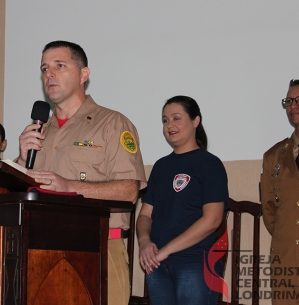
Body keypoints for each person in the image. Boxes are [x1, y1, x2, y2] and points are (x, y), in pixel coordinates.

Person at [17, 40, 146, 305]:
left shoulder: (112, 124)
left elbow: (129, 191)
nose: (48, 74)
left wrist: (69, 187)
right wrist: (21, 159)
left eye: (59, 66)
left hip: (97, 248)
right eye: (44, 69)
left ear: (83, 74)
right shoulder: (38, 132)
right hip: (40, 250)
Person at [136, 96, 229, 305]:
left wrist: (166, 250)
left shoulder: (210, 164)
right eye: (165, 120)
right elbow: (144, 215)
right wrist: (144, 243)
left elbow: (212, 220)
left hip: (195, 263)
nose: (170, 125)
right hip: (158, 264)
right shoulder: (160, 166)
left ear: (196, 120)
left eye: (176, 118)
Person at [261, 79, 299, 304]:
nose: (293, 106)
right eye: (289, 101)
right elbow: (269, 212)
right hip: (285, 266)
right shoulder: (273, 156)